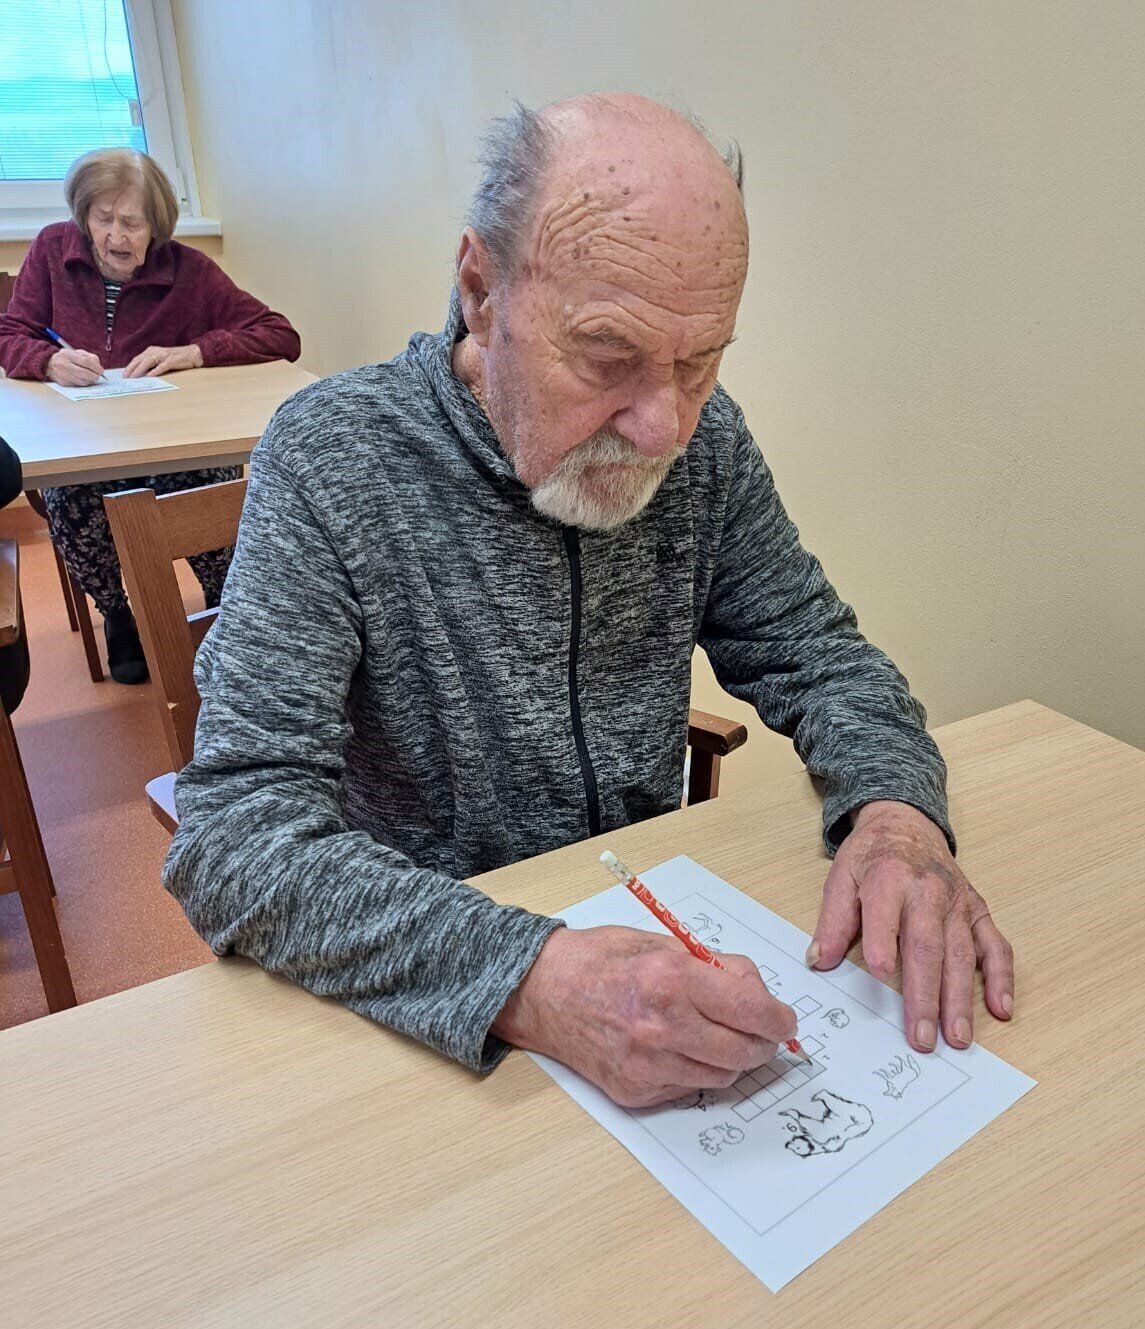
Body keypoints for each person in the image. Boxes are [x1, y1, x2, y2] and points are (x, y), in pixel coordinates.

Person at [163, 95, 1014, 1108]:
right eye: (608, 358)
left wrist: (896, 817)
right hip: (414, 1011)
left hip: (642, 938)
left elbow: (818, 655)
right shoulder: (331, 458)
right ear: (480, 292)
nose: (663, 428)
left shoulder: (705, 445)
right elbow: (234, 831)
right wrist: (534, 980)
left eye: (700, 362)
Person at [0, 148, 301, 684]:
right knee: (72, 500)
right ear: (83, 215)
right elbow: (10, 333)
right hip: (84, 442)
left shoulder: (188, 269)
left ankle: (223, 603)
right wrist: (47, 360)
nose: (115, 236)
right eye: (103, 219)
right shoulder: (51, 251)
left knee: (209, 488)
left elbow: (280, 335)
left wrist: (195, 351)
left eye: (132, 223)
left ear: (157, 226)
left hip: (172, 439)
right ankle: (117, 613)